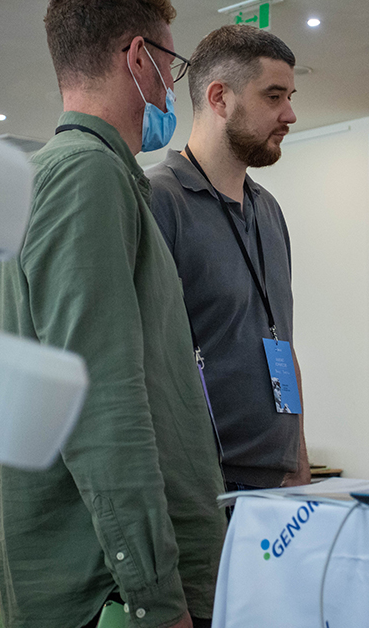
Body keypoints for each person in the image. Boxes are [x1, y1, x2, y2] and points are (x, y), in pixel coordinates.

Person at [0, 0, 225, 628]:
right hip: (108, 589)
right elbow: (102, 403)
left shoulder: (91, 177)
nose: (171, 86)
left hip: (112, 577)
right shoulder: (84, 175)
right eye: (171, 65)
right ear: (138, 57)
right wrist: (154, 592)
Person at [146, 25, 310, 495]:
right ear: (219, 98)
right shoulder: (158, 199)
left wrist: (298, 457)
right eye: (273, 96)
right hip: (200, 482)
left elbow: (282, 341)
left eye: (290, 97)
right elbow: (143, 354)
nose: (290, 114)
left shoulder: (268, 210)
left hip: (276, 477)